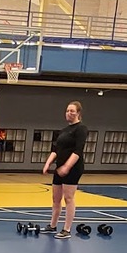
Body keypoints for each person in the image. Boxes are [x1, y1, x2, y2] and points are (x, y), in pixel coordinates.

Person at [41, 100, 87, 238]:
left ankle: (66, 230)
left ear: (78, 113)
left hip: (73, 169)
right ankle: (53, 225)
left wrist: (67, 166)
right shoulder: (63, 131)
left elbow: (78, 151)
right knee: (56, 199)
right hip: (59, 168)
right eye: (67, 111)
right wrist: (48, 163)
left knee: (68, 198)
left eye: (72, 111)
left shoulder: (81, 129)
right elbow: (56, 149)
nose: (69, 113)